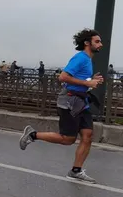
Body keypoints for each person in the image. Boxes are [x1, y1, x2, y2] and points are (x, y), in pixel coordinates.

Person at [19, 28, 104, 183]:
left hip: (81, 103)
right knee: (68, 139)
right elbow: (63, 77)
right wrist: (87, 82)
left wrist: (92, 80)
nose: (101, 44)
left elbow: (79, 80)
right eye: (97, 41)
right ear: (87, 43)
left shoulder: (87, 59)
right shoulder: (81, 58)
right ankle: (32, 135)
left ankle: (75, 171)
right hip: (70, 102)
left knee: (88, 136)